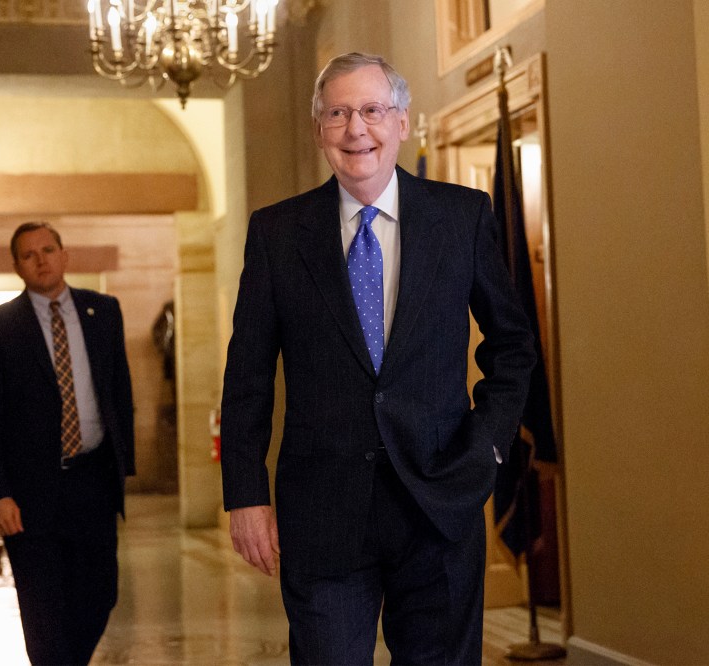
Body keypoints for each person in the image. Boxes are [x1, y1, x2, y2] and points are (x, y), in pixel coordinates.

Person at [220, 53, 536, 665]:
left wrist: (487, 447)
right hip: (322, 515)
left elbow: (513, 345)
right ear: (319, 130)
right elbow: (248, 375)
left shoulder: (461, 216)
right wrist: (244, 493)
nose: (355, 129)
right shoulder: (278, 234)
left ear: (402, 122)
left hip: (440, 503)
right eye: (337, 113)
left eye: (371, 110)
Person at [0, 221, 135, 665]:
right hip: (30, 494)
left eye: (48, 249)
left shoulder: (104, 312)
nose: (40, 259)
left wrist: (124, 468)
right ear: (17, 267)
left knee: (101, 594)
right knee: (43, 611)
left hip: (93, 483)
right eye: (29, 254)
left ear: (64, 255)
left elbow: (119, 390)